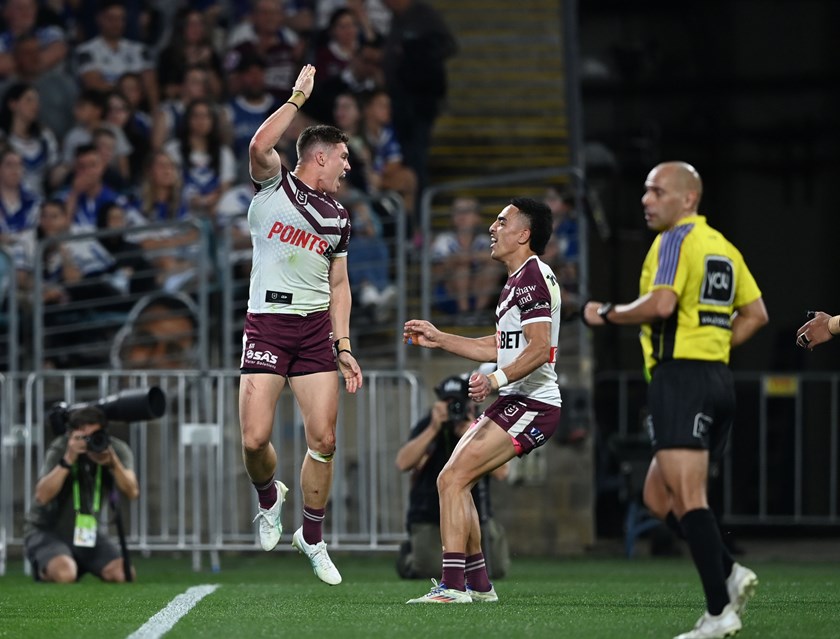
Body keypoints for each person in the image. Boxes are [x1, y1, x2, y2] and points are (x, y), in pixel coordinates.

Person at [581, 161, 769, 639]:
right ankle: (728, 571)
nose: (646, 200)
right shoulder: (721, 246)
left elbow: (662, 305)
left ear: (688, 199)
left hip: (682, 380)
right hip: (714, 380)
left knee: (688, 497)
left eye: (657, 191)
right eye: (645, 191)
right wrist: (711, 347)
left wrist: (605, 312)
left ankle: (719, 611)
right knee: (656, 494)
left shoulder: (675, 240)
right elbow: (756, 314)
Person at [402, 196, 562, 604]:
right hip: (516, 399)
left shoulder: (531, 279)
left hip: (533, 403)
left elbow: (539, 347)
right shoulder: (519, 278)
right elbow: (501, 345)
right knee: (454, 480)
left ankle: (455, 587)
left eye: (502, 221)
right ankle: (478, 585)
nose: (492, 227)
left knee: (453, 480)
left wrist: (495, 380)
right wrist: (441, 339)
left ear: (524, 234)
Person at [239, 63, 362, 586]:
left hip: (313, 329)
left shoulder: (339, 217)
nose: (348, 167)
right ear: (319, 155)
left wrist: (344, 345)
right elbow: (257, 145)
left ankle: (311, 535)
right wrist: (296, 97)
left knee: (325, 437)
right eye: (343, 157)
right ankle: (270, 498)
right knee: (254, 439)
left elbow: (339, 285)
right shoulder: (274, 188)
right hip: (267, 323)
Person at [395, 372, 510, 581]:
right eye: (447, 402)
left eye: (457, 403)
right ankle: (410, 555)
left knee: (496, 569)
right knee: (430, 570)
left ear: (470, 405)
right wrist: (433, 428)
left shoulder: (482, 425)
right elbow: (403, 462)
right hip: (430, 516)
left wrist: (473, 436)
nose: (452, 408)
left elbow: (503, 472)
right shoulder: (429, 424)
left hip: (477, 515)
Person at [23, 405, 139, 583]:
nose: (88, 442)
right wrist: (68, 459)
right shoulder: (61, 447)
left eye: (93, 436)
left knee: (124, 574)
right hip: (47, 530)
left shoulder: (114, 449)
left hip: (86, 533)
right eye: (82, 437)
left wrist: (113, 463)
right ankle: (50, 565)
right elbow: (42, 496)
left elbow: (132, 491)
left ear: (104, 433)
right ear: (71, 435)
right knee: (65, 574)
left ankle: (77, 562)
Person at [430, 196, 503, 322]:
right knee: (462, 269)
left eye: (467, 211)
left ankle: (479, 314)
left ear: (477, 218)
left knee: (492, 268)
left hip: (476, 291)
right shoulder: (444, 240)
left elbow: (499, 259)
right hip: (449, 294)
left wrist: (468, 257)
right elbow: (437, 273)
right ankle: (464, 313)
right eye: (458, 211)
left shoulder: (484, 241)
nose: (462, 216)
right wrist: (455, 262)